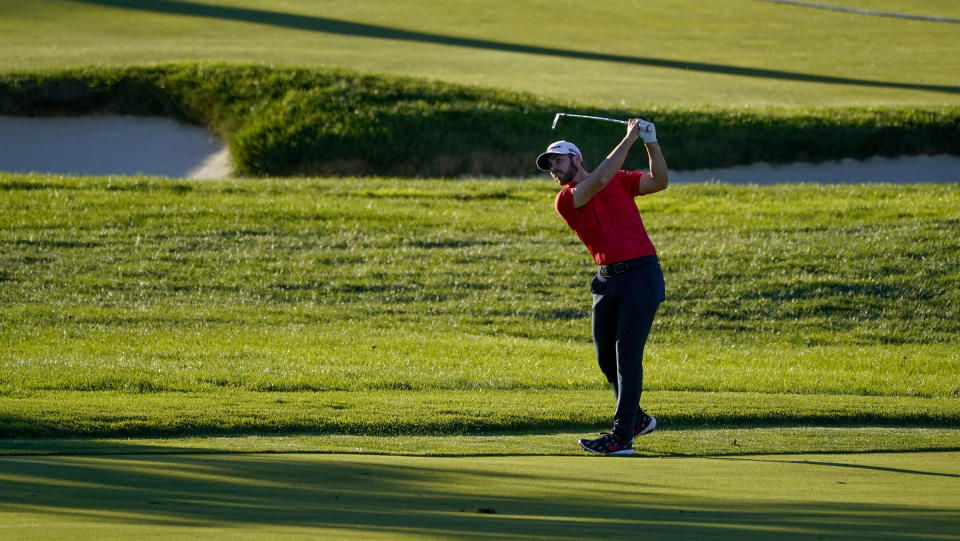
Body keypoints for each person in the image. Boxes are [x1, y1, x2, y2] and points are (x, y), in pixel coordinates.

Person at [536, 118, 668, 456]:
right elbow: (599, 180)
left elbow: (659, 181)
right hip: (607, 279)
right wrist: (630, 137)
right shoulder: (566, 199)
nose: (553, 169)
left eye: (558, 160)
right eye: (549, 166)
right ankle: (636, 419)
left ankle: (621, 436)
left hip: (641, 274)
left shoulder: (619, 180)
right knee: (604, 357)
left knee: (626, 357)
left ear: (577, 158)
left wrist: (650, 143)